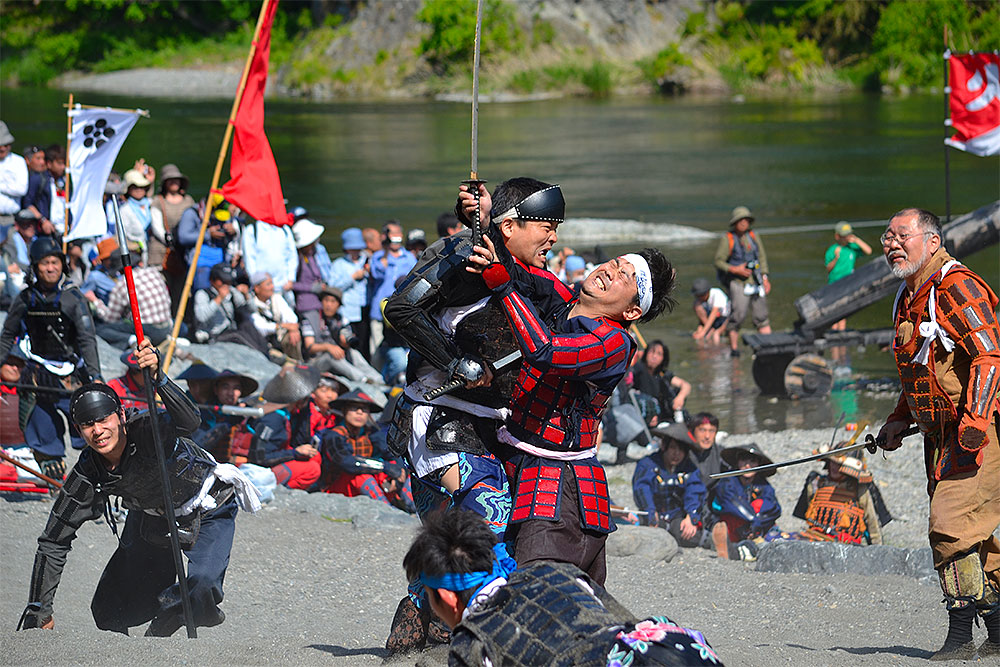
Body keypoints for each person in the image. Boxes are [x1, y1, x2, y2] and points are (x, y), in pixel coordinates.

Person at [381, 178, 575, 654]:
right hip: (438, 416)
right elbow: (401, 308)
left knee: (451, 540)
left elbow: (562, 310)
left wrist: (489, 219)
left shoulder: (532, 280)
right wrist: (452, 361)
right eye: (545, 227)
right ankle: (502, 629)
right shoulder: (461, 258)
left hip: (487, 426)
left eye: (556, 227)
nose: (553, 238)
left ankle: (418, 635)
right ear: (512, 226)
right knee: (488, 518)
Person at [16, 340, 261, 636]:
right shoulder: (88, 471)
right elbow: (54, 540)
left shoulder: (148, 431)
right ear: (79, 430)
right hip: (152, 516)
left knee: (203, 587)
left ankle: (176, 617)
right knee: (109, 610)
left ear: (120, 417)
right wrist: (39, 608)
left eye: (104, 420)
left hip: (208, 504)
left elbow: (189, 421)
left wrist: (159, 378)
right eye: (87, 424)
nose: (98, 431)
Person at [478, 236, 676, 585]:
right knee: (482, 566)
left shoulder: (614, 344)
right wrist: (484, 217)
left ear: (631, 312)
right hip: (511, 452)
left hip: (560, 480)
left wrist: (505, 288)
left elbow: (544, 350)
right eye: (615, 263)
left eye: (624, 277)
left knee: (540, 586)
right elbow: (518, 268)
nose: (609, 271)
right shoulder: (565, 297)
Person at [875, 207, 1000, 660]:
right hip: (938, 437)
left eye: (901, 235)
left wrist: (973, 426)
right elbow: (920, 374)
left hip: (979, 432)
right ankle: (999, 635)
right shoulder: (907, 296)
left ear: (931, 241)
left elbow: (990, 358)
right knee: (975, 536)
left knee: (948, 527)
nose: (890, 243)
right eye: (887, 236)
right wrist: (896, 419)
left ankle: (961, 638)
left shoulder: (957, 285)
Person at [404, 509, 722, 666]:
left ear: (445, 597)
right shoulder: (553, 570)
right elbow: (624, 622)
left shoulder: (471, 641)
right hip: (673, 653)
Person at [0, 237, 101, 476]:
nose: (50, 268)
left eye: (55, 262)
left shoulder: (74, 298)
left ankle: (96, 474)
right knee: (41, 427)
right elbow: (7, 335)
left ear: (62, 265)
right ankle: (53, 475)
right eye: (45, 263)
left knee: (89, 424)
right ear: (35, 266)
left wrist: (96, 376)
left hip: (71, 373)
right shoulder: (25, 299)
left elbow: (87, 338)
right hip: (37, 373)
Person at [313, 389, 413, 512]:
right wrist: (385, 467)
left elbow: (392, 454)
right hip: (336, 487)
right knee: (362, 476)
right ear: (344, 411)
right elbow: (349, 463)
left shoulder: (371, 433)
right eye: (354, 409)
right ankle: (387, 510)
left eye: (364, 410)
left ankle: (415, 508)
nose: (360, 413)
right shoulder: (334, 436)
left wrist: (398, 472)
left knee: (398, 470)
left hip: (361, 487)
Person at [787, 440, 891, 545]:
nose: (834, 467)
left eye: (839, 464)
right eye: (833, 462)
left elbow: (873, 525)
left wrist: (877, 549)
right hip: (814, 541)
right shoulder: (816, 483)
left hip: (846, 546)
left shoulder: (860, 490)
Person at [85, 241, 173, 348]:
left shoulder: (122, 284)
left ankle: (132, 340)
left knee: (101, 330)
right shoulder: (153, 272)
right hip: (167, 326)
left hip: (149, 329)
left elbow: (110, 318)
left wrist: (95, 301)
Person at [248, 365, 321, 490]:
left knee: (315, 457)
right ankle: (280, 492)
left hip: (261, 466)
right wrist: (295, 453)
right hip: (252, 471)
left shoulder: (280, 413)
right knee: (312, 469)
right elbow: (260, 457)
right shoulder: (273, 419)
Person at [714, 206, 771, 358]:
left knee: (762, 316)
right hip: (738, 284)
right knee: (738, 316)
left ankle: (767, 346)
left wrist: (765, 277)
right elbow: (718, 261)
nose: (744, 223)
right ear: (735, 223)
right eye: (741, 220)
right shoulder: (728, 239)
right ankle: (734, 349)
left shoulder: (753, 236)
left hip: (757, 281)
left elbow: (762, 258)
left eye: (747, 220)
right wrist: (735, 269)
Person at [711, 443, 781, 559]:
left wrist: (758, 521)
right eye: (744, 460)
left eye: (752, 461)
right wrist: (753, 519)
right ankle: (733, 548)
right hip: (734, 526)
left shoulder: (763, 484)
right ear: (738, 462)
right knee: (729, 519)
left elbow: (775, 508)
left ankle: (754, 546)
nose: (748, 465)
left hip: (757, 528)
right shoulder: (727, 481)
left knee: (759, 505)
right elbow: (730, 503)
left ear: (758, 464)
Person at [301, 285, 383, 384]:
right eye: (326, 300)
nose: (328, 305)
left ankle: (378, 380)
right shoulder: (310, 317)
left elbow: (346, 340)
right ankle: (364, 380)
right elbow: (309, 347)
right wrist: (328, 347)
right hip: (315, 362)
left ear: (339, 305)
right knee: (331, 356)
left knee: (353, 353)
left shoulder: (341, 319)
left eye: (333, 302)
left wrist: (345, 342)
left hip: (339, 361)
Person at [632, 422, 703, 531]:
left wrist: (691, 517)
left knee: (689, 533)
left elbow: (695, 491)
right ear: (664, 446)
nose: (676, 453)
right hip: (653, 513)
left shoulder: (690, 468)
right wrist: (650, 510)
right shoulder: (647, 464)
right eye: (673, 448)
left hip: (678, 517)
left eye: (681, 450)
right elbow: (642, 488)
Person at [192, 262, 269, 355]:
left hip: (231, 330)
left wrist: (246, 295)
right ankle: (261, 355)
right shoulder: (203, 294)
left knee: (247, 324)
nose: (226, 285)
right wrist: (219, 298)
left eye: (228, 282)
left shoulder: (232, 291)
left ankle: (266, 353)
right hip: (214, 336)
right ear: (212, 280)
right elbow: (201, 317)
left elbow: (252, 310)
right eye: (223, 282)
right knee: (237, 335)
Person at [368, 220, 416, 355]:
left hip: (400, 311)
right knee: (376, 349)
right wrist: (385, 252)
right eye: (391, 234)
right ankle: (376, 374)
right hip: (378, 311)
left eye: (397, 233)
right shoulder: (378, 256)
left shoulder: (409, 258)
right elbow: (376, 273)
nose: (395, 237)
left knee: (401, 350)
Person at [328, 227, 371, 361]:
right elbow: (333, 287)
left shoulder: (367, 261)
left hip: (365, 308)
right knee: (351, 343)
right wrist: (352, 277)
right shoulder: (338, 265)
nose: (356, 252)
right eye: (353, 249)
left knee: (365, 344)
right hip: (348, 311)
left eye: (358, 249)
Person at [824, 221, 872, 331]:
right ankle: (834, 333)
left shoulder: (852, 248)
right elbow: (828, 268)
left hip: (848, 284)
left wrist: (856, 240)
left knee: (843, 312)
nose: (847, 238)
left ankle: (840, 333)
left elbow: (868, 251)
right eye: (844, 236)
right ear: (837, 236)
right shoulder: (832, 249)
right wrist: (836, 258)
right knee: (834, 311)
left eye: (848, 235)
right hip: (834, 284)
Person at [631, 339, 691, 426]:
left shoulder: (663, 374)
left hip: (665, 416)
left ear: (663, 358)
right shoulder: (638, 370)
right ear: (646, 353)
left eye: (659, 354)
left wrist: (680, 397)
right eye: (652, 352)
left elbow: (686, 385)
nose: (654, 356)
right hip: (648, 414)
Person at [249, 271, 302, 363]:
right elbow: (261, 327)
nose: (272, 287)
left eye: (272, 283)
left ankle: (298, 364)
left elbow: (291, 318)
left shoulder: (276, 298)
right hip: (263, 344)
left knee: (294, 335)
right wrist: (281, 326)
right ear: (257, 288)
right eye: (268, 284)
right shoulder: (251, 304)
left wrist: (292, 329)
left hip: (279, 339)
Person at [150, 163, 195, 270]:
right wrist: (169, 239)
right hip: (161, 250)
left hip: (183, 249)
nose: (174, 182)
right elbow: (157, 228)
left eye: (176, 179)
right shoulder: (158, 201)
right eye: (170, 179)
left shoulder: (188, 201)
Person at [291, 217, 333, 320]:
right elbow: (289, 284)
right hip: (307, 305)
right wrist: (312, 288)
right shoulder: (297, 259)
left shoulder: (312, 255)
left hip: (318, 302)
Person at [0, 122, 29, 226]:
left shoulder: (18, 161)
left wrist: (1, 186)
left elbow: (21, 189)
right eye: (0, 145)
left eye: (5, 145)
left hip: (11, 219)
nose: (2, 148)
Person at [691, 277, 730, 346]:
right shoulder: (700, 300)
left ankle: (716, 349)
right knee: (697, 305)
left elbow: (714, 313)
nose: (698, 298)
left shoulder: (717, 294)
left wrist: (703, 332)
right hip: (712, 319)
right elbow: (700, 311)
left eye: (700, 296)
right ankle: (709, 330)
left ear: (706, 292)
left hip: (725, 318)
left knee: (716, 334)